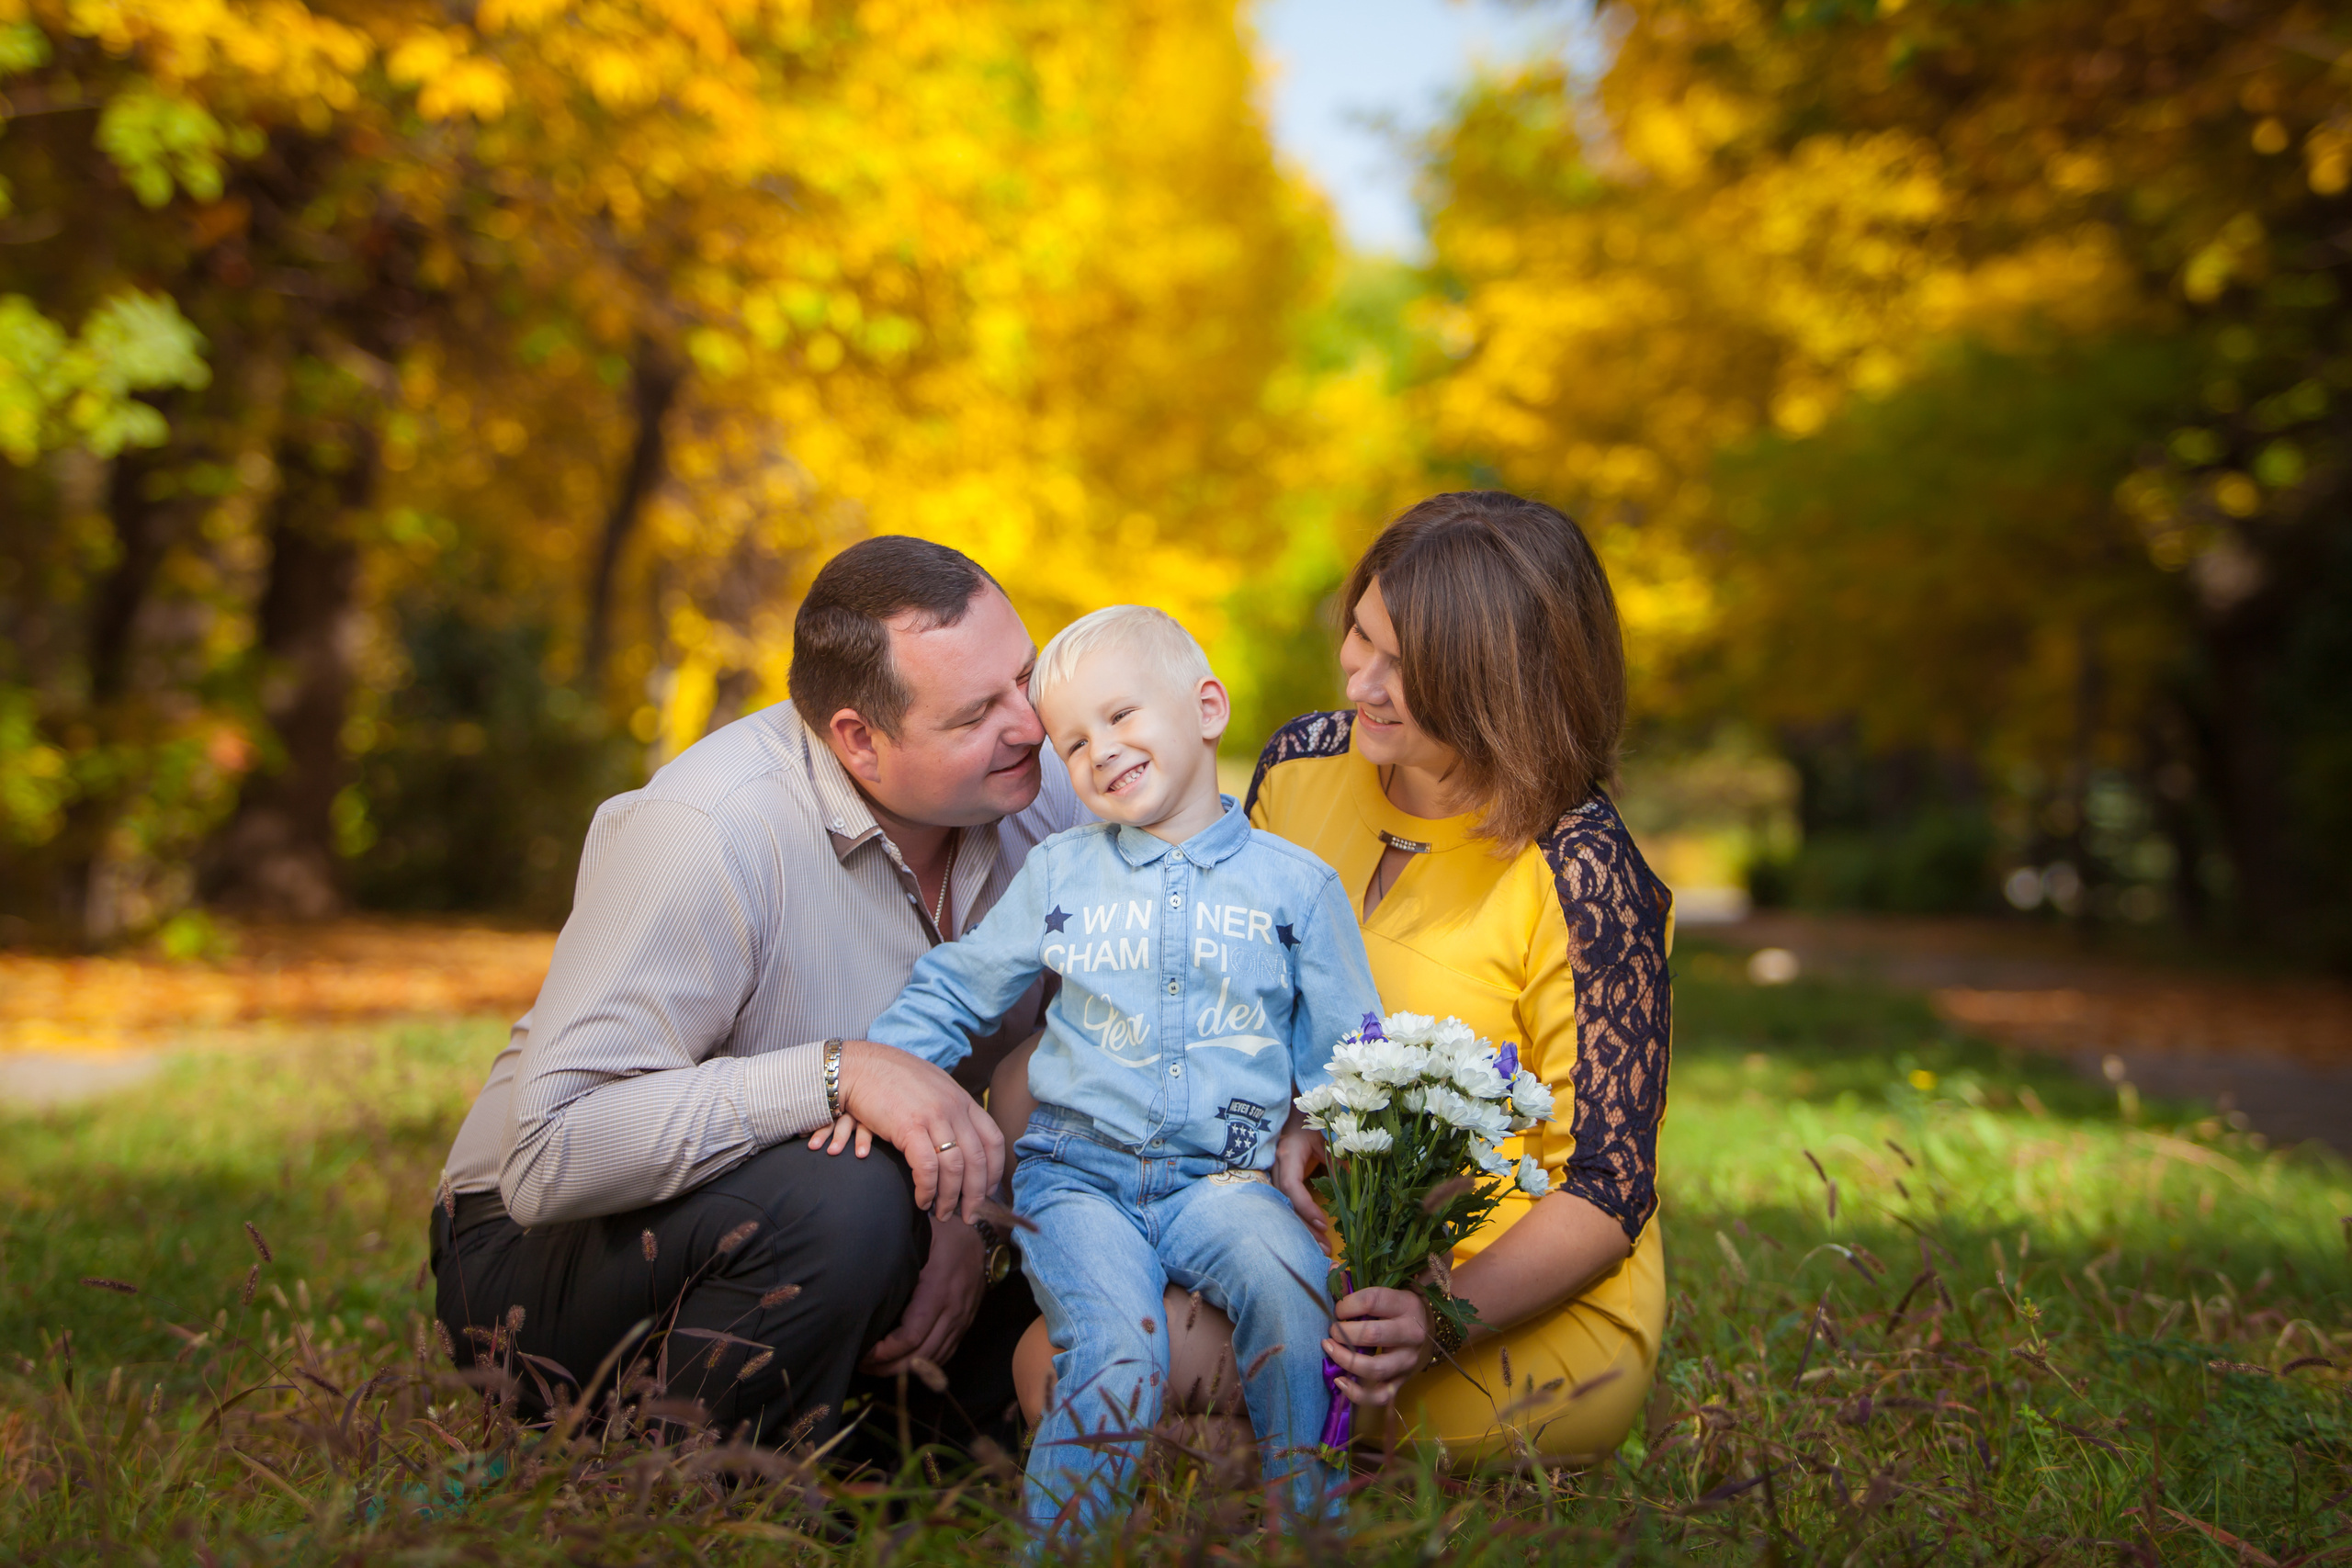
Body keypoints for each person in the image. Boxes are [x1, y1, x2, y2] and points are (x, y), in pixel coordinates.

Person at [1014, 491, 1674, 1464]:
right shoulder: (1300, 767)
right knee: (1053, 1365)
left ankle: (1299, 1475)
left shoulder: (1585, 873)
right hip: (1297, 1242)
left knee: (1173, 1407)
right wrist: (1285, 1119)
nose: (1359, 678)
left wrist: (1437, 1314)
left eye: (1402, 667)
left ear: (1497, 682)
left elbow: (1608, 1187)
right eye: (1360, 635)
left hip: (1509, 1296)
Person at [428, 535, 1084, 1455]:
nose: (1030, 724)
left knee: (1108, 1257)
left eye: (1026, 677)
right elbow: (547, 1156)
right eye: (978, 710)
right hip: (541, 1256)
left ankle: (872, 1462)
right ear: (858, 738)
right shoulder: (707, 828)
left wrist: (966, 1217)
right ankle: (707, 1496)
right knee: (847, 1194)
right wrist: (835, 1073)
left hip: (869, 1222)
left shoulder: (1049, 791)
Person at [862, 605, 1382, 1533]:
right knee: (1116, 1349)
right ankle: (1062, 1546)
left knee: (1296, 1293)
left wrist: (1330, 1134)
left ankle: (1305, 1525)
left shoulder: (1296, 888)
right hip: (1079, 1178)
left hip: (1226, 1178)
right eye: (1073, 742)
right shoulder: (1065, 874)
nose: (1099, 750)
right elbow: (961, 987)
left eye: (1122, 716)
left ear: (1207, 708)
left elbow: (1350, 1059)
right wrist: (880, 1069)